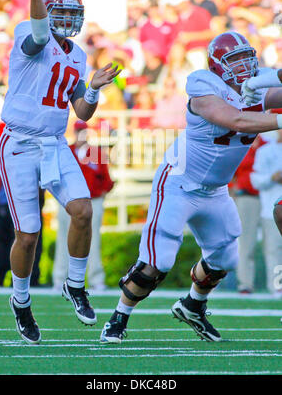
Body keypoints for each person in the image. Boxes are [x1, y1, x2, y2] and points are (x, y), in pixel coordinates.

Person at [100, 31, 282, 344]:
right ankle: (118, 318)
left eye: (246, 58)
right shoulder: (203, 85)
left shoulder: (257, 90)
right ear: (216, 66)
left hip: (216, 189)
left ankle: (193, 305)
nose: (242, 65)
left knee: (225, 257)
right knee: (157, 263)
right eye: (234, 59)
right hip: (179, 182)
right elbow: (236, 120)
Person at [0, 0, 121, 345]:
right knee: (28, 234)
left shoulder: (79, 54)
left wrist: (95, 88)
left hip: (54, 143)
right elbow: (36, 35)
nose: (67, 20)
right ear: (46, 13)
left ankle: (75, 284)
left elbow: (81, 110)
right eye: (60, 13)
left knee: (82, 211)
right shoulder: (30, 33)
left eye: (73, 14)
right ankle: (21, 301)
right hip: (18, 143)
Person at [53, 119, 114, 291]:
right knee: (64, 238)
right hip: (69, 202)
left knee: (93, 239)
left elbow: (107, 179)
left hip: (92, 201)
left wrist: (101, 193)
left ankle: (96, 278)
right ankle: (60, 277)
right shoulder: (67, 151)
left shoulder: (95, 152)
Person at [229, 135, 266, 294]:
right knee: (246, 242)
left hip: (270, 194)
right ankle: (245, 283)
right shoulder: (241, 145)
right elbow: (230, 171)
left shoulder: (268, 145)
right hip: (247, 197)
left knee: (274, 243)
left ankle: (276, 284)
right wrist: (232, 191)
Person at [250, 129, 282, 296]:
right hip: (271, 206)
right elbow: (255, 180)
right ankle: (277, 287)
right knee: (274, 250)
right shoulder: (265, 151)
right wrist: (272, 177)